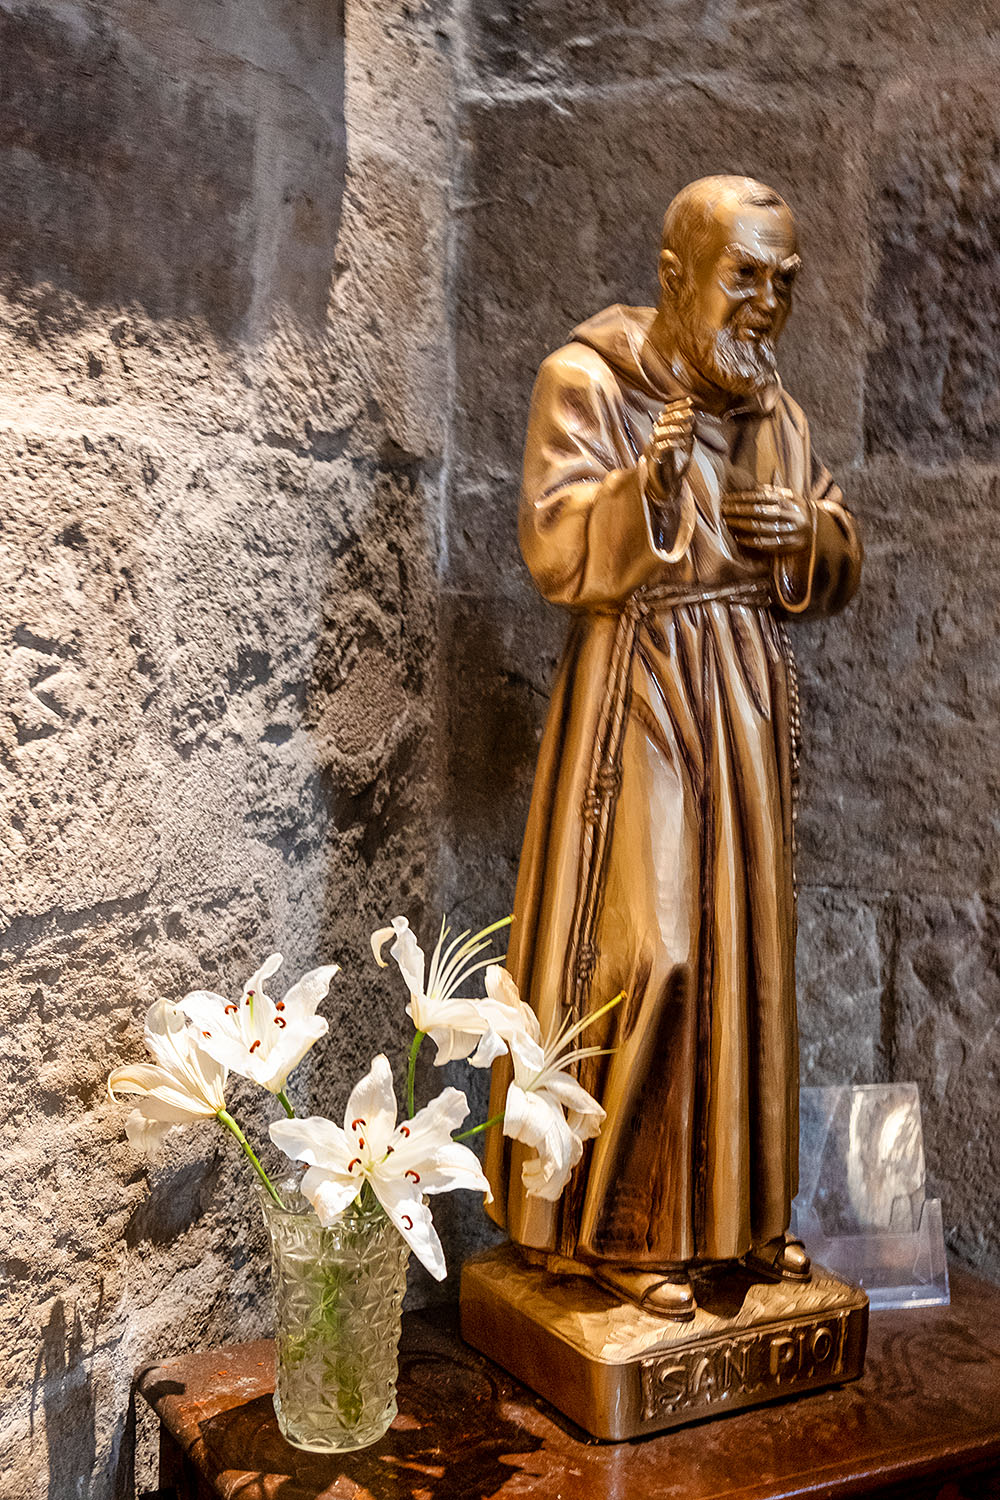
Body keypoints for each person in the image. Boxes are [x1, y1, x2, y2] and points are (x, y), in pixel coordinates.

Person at [483, 175, 862, 1321]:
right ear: (675, 275)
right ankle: (610, 1229)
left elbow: (833, 550)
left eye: (782, 284)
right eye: (741, 276)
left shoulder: (776, 418)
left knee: (744, 965)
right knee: (650, 952)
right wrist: (641, 499)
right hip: (641, 693)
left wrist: (810, 541)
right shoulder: (588, 382)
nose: (763, 305)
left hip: (740, 710)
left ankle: (732, 1230)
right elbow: (555, 544)